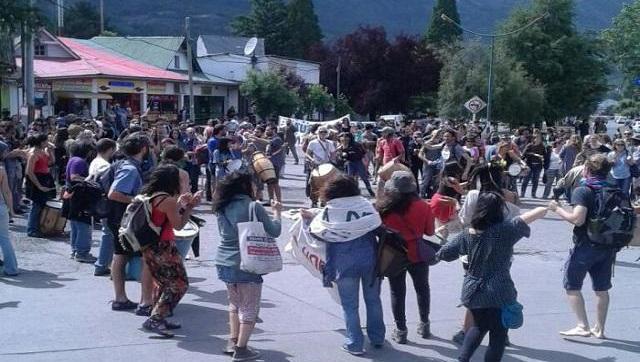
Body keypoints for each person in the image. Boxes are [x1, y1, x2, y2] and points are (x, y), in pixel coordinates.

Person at [437, 193, 548, 361]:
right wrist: (549, 207)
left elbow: (443, 254)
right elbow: (535, 214)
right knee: (498, 336)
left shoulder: (467, 234)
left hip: (473, 290)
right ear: (499, 211)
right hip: (500, 289)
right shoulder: (506, 230)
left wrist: (442, 236)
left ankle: (463, 359)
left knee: (478, 327)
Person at [302, 174, 385, 355]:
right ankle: (377, 337)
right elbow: (378, 226)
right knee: (373, 300)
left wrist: (309, 218)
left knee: (350, 305)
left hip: (343, 264)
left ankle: (354, 343)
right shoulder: (365, 205)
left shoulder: (330, 210)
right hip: (370, 261)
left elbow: (316, 233)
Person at [213, 172, 282, 361]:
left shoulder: (221, 206)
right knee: (249, 306)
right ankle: (242, 349)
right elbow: (275, 231)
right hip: (246, 261)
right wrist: (277, 212)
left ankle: (233, 341)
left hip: (223, 260)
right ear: (245, 186)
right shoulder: (253, 206)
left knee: (234, 303)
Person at [548, 154, 617, 339]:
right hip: (609, 245)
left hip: (586, 245)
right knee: (602, 290)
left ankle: (582, 326)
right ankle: (600, 329)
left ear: (586, 170)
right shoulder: (614, 189)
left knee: (572, 285)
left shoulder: (584, 190)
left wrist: (557, 209)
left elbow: (578, 219)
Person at [138, 164, 201, 337]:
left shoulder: (153, 196)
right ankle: (156, 318)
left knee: (164, 282)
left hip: (150, 245)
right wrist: (189, 207)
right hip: (163, 246)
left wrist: (182, 205)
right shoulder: (168, 200)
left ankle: (158, 315)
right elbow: (179, 225)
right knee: (179, 283)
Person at [376, 171, 435, 344]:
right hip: (417, 253)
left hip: (394, 255)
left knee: (397, 291)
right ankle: (424, 324)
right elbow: (430, 231)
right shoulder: (423, 206)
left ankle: (401, 330)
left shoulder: (384, 208)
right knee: (422, 288)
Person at [107, 134, 153, 312]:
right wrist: (137, 200)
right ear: (143, 149)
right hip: (125, 219)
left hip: (118, 217)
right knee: (144, 257)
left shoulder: (122, 164)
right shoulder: (130, 169)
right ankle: (144, 301)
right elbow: (114, 193)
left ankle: (121, 298)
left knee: (120, 256)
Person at [65, 140, 97, 263]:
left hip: (74, 196)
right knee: (83, 225)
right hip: (80, 196)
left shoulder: (73, 159)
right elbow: (74, 177)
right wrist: (91, 180)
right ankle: (82, 253)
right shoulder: (79, 161)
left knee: (75, 225)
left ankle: (75, 250)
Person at [89, 138, 117, 276]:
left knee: (107, 233)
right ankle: (102, 264)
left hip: (98, 200)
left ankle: (103, 263)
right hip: (105, 201)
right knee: (108, 233)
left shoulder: (95, 161)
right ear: (110, 149)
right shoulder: (105, 166)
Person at [25, 133, 55, 237]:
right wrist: (38, 186)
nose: (48, 143)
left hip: (44, 178)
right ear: (42, 142)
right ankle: (31, 229)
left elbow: (51, 162)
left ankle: (37, 227)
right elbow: (29, 171)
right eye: (46, 141)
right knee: (36, 205)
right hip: (36, 180)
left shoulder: (43, 152)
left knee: (41, 205)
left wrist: (51, 151)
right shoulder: (33, 153)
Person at [337, 132, 375, 197]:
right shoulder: (342, 146)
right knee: (350, 178)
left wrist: (365, 162)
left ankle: (370, 191)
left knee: (364, 178)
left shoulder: (356, 144)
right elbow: (340, 156)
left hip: (358, 162)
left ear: (350, 137)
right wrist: (341, 154)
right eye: (344, 137)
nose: (345, 138)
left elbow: (363, 153)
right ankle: (352, 192)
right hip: (350, 163)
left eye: (347, 137)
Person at [0, 141, 17, 276]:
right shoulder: (1, 170)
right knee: (4, 238)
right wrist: (11, 210)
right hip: (1, 207)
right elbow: (7, 192)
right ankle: (11, 268)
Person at [520, 134, 547, 198]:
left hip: (538, 165)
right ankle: (522, 193)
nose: (538, 140)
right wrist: (534, 154)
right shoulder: (530, 145)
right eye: (537, 138)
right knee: (526, 180)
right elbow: (524, 154)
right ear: (534, 139)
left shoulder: (542, 146)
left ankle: (533, 193)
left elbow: (545, 155)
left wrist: (543, 158)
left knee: (536, 180)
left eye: (539, 139)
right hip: (529, 165)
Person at [206, 124, 227, 200]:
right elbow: (211, 153)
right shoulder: (212, 141)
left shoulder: (223, 139)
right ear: (220, 130)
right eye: (224, 129)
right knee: (214, 181)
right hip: (213, 163)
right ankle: (214, 198)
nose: (226, 131)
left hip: (223, 163)